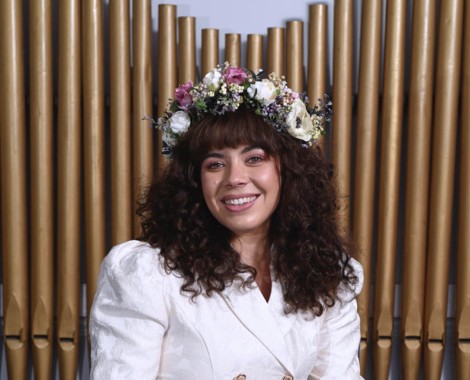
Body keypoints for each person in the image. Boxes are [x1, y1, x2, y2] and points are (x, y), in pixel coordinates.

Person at [89, 63, 364, 379]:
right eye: (215, 164)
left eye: (255, 159)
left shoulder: (327, 273)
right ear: (195, 181)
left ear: (288, 170)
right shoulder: (146, 274)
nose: (235, 178)